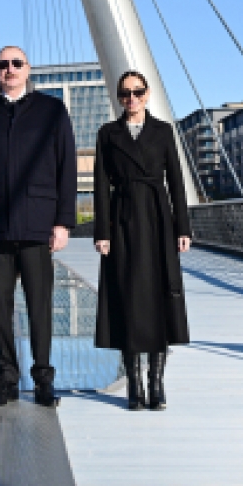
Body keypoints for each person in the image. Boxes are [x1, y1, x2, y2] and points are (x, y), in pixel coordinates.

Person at [0, 44, 77, 409]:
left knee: (40, 306)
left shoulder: (52, 110)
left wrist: (63, 221)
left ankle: (43, 380)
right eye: (3, 64)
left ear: (28, 69)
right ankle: (6, 380)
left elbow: (67, 167)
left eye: (16, 63)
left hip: (38, 223)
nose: (9, 69)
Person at [94, 70, 192, 410]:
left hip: (157, 219)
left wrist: (183, 228)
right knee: (127, 297)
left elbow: (176, 182)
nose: (131, 98)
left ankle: (157, 382)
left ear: (148, 94)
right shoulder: (107, 134)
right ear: (119, 97)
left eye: (137, 92)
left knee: (159, 296)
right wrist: (102, 232)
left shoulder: (163, 131)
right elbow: (100, 186)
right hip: (122, 218)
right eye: (125, 93)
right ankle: (135, 383)